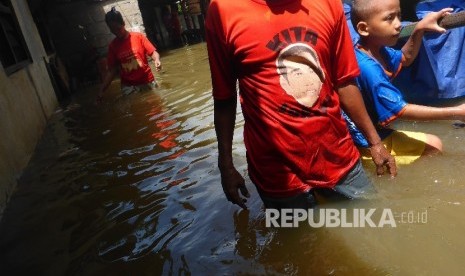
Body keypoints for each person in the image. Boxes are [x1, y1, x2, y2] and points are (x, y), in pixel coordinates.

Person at [205, 0, 397, 210]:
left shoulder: (328, 4)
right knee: (299, 240)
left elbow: (344, 81)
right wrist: (226, 165)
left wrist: (375, 143)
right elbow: (224, 97)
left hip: (337, 156)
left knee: (372, 219)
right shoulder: (223, 10)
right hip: (276, 173)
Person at [346, 0, 465, 165]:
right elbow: (401, 110)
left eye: (399, 16)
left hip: (373, 130)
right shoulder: (368, 68)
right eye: (389, 18)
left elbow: (405, 58)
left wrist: (420, 28)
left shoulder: (377, 50)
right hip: (362, 141)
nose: (398, 24)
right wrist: (457, 112)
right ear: (363, 29)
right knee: (434, 146)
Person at [97, 7, 162, 102]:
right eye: (113, 30)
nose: (117, 33)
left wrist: (157, 60)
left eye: (118, 29)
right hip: (129, 87)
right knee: (136, 111)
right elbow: (112, 72)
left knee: (157, 105)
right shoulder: (113, 46)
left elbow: (153, 53)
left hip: (147, 81)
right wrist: (101, 91)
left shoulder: (138, 37)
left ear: (123, 23)